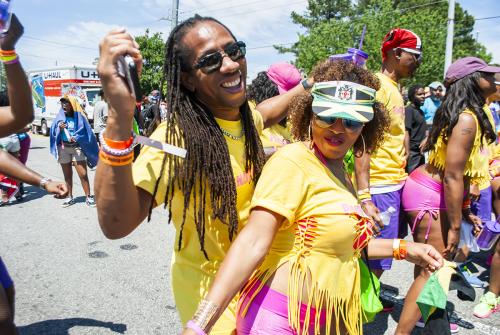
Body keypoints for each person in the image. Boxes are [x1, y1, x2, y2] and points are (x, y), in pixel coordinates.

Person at [181, 59, 443, 335]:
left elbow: (341, 249)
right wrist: (199, 325)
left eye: (352, 121)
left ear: (366, 126)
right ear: (309, 114)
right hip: (279, 320)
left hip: (330, 320)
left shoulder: (342, 172)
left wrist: (404, 249)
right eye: (328, 116)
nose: (338, 129)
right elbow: (253, 242)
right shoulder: (293, 161)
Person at [95, 15, 309, 334]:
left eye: (234, 50)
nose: (229, 65)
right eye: (210, 60)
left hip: (266, 281)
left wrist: (307, 86)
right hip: (212, 296)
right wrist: (119, 116)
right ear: (187, 79)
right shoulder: (176, 139)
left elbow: (266, 112)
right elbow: (116, 224)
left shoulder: (244, 115)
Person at [396, 57, 500, 334]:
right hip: (430, 195)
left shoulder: (467, 114)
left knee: (431, 269)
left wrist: (465, 211)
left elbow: (460, 174)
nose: (495, 80)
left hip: (435, 192)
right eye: (487, 75)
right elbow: (453, 174)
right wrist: (455, 226)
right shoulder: (466, 118)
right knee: (436, 267)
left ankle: (430, 322)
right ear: (472, 80)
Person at [354, 28, 421, 312]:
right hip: (380, 185)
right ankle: (353, 312)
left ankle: (364, 301)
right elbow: (362, 140)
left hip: (394, 181)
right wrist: (364, 194)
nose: (417, 61)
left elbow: (392, 134)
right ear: (396, 54)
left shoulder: (394, 88)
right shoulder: (379, 86)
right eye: (414, 56)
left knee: (382, 257)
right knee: (376, 258)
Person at [49, 95, 98, 207]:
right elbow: (53, 130)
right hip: (64, 148)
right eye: (62, 103)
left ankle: (88, 197)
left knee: (83, 174)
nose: (64, 105)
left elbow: (86, 132)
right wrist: (59, 127)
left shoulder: (79, 117)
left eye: (66, 103)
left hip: (77, 148)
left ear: (72, 105)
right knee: (67, 175)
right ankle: (69, 197)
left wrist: (77, 137)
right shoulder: (60, 116)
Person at [247, 62, 302, 155]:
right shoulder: (249, 111)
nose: (288, 102)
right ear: (269, 88)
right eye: (284, 95)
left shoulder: (288, 120)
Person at [404, 84, 427, 173]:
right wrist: (408, 152)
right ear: (412, 96)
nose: (423, 97)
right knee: (411, 177)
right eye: (420, 94)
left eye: (424, 94)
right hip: (412, 153)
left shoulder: (420, 111)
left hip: (420, 152)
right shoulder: (409, 110)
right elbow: (406, 131)